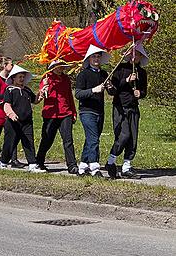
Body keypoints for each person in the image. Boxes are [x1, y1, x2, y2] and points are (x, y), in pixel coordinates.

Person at [106, 43, 149, 179]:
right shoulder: (120, 69)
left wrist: (139, 93)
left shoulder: (142, 72)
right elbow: (113, 89)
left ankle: (126, 166)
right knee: (123, 135)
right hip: (120, 107)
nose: (134, 56)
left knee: (133, 138)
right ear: (129, 55)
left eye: (137, 54)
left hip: (133, 107)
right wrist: (126, 80)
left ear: (140, 57)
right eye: (133, 54)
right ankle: (111, 160)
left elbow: (144, 91)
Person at [35, 60, 78, 173]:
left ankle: (72, 165)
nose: (60, 68)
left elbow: (69, 96)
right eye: (57, 66)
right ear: (52, 67)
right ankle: (39, 161)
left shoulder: (66, 79)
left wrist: (73, 112)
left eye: (62, 66)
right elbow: (43, 94)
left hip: (66, 113)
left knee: (68, 140)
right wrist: (44, 88)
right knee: (47, 139)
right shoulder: (47, 77)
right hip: (51, 114)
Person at [73, 45, 109, 176]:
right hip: (87, 111)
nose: (96, 59)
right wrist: (93, 90)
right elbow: (78, 94)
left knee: (91, 139)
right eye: (94, 56)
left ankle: (82, 166)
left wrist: (110, 86)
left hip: (100, 110)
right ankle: (95, 168)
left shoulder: (104, 74)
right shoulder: (83, 74)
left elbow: (112, 92)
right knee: (94, 139)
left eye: (98, 56)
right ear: (89, 59)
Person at [0, 64, 42, 172]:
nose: (22, 79)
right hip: (13, 122)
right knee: (10, 143)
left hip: (27, 121)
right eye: (20, 77)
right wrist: (12, 115)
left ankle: (32, 164)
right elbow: (6, 105)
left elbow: (35, 100)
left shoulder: (27, 90)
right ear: (13, 78)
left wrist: (41, 94)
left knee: (29, 142)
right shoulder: (9, 90)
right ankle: (3, 162)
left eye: (23, 77)